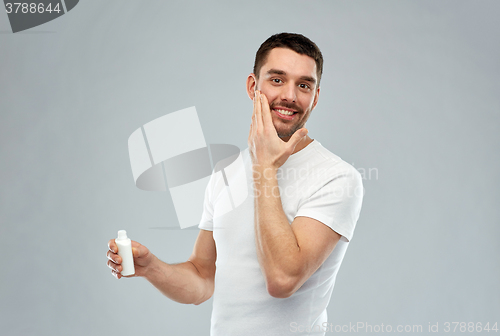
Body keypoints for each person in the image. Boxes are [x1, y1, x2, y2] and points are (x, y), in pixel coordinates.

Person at [106, 32, 364, 336]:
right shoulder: (225, 172)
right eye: (277, 80)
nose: (291, 96)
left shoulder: (337, 177)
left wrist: (264, 167)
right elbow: (202, 278)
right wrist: (152, 268)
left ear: (315, 97)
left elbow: (282, 280)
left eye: (304, 85)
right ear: (253, 87)